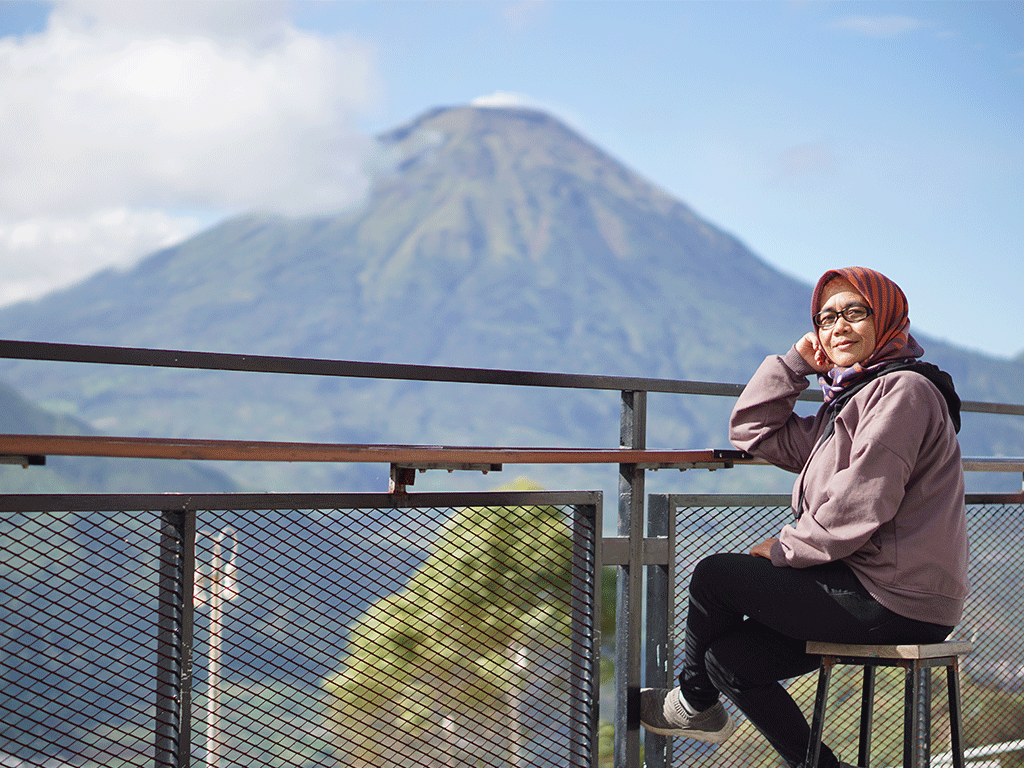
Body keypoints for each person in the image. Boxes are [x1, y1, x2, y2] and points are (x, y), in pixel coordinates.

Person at [640, 266, 969, 768]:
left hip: (896, 597)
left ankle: (690, 704)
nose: (838, 326)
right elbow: (752, 430)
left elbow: (864, 499)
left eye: (855, 312)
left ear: (888, 319)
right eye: (826, 318)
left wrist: (787, 549)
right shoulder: (850, 401)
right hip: (873, 588)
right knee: (729, 661)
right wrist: (795, 363)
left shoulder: (904, 391)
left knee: (715, 576)